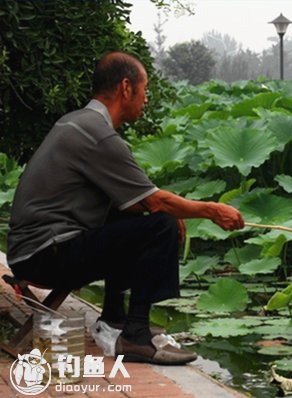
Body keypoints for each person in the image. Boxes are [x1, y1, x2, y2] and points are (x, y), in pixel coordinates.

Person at [7, 51, 245, 365]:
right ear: (126, 88)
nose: (145, 100)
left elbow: (139, 202)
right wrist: (213, 211)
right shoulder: (98, 135)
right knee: (161, 226)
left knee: (138, 216)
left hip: (34, 251)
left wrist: (163, 212)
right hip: (45, 254)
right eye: (144, 91)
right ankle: (135, 336)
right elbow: (155, 200)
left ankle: (115, 318)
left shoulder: (77, 122)